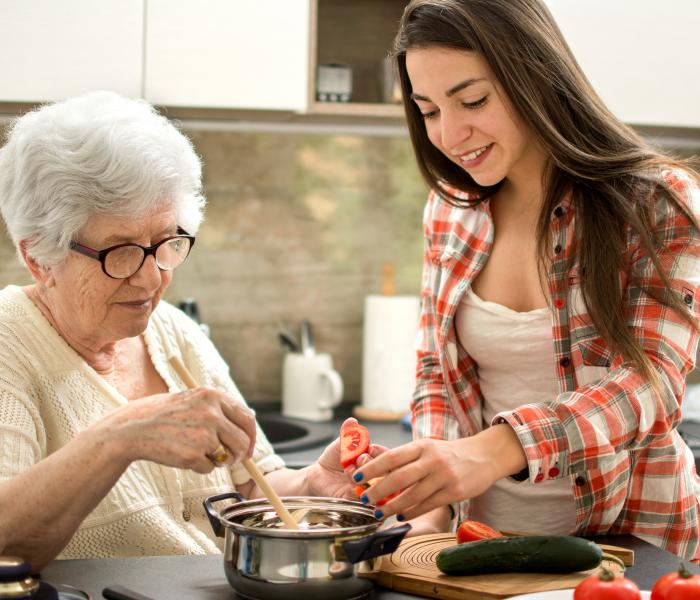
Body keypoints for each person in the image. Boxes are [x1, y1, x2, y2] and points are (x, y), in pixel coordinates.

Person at [351, 0, 700, 560]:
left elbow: (651, 384)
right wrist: (430, 501)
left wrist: (496, 449)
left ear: (533, 73)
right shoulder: (450, 211)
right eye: (428, 110)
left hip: (634, 546)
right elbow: (437, 373)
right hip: (479, 551)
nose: (449, 133)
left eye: (472, 100)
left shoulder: (658, 203)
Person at [0, 91, 376, 570]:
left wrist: (309, 488)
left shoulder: (172, 331)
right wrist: (118, 437)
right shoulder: (8, 344)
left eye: (165, 242)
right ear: (38, 257)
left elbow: (252, 485)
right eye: (120, 252)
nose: (152, 276)